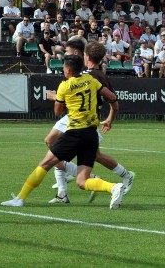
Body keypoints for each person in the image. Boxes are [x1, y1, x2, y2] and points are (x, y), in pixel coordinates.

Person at [1, 55, 125, 209]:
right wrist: (109, 119)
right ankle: (113, 187)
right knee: (82, 181)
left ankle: (19, 199)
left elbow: (58, 112)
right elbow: (113, 98)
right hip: (91, 134)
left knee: (45, 164)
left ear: (68, 70)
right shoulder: (92, 81)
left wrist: (58, 97)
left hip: (75, 133)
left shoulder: (64, 86)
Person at [44, 42, 135, 204]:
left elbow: (106, 98)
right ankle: (63, 191)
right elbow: (113, 100)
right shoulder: (98, 74)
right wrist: (110, 119)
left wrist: (54, 96)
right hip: (77, 116)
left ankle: (87, 178)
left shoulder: (91, 76)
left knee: (59, 148)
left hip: (83, 117)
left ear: (84, 55)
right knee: (53, 143)